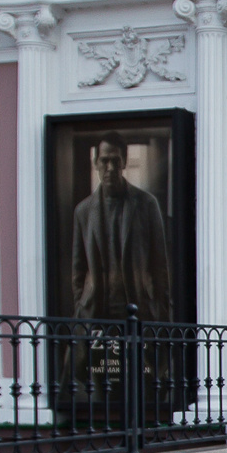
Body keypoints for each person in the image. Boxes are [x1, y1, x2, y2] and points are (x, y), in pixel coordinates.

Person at [69, 132, 174, 320]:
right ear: (96, 163)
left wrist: (161, 314)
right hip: (96, 314)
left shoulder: (146, 204)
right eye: (104, 161)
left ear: (124, 162)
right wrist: (81, 305)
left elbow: (160, 266)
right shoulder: (83, 212)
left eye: (116, 161)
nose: (110, 168)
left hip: (139, 311)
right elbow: (78, 270)